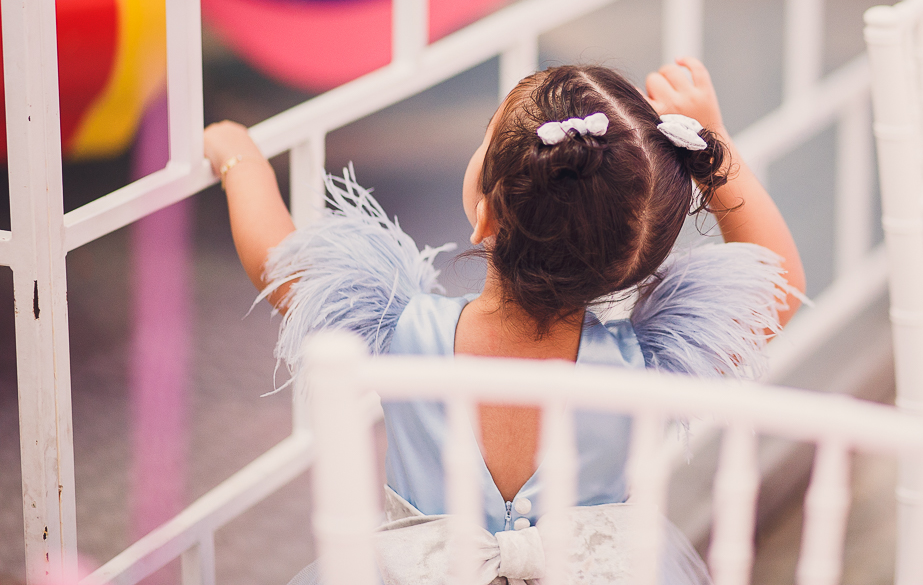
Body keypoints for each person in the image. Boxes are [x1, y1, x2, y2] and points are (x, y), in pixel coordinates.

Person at [204, 58, 806, 584]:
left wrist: (240, 160)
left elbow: (277, 261)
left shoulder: (397, 329)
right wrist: (715, 152)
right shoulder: (647, 368)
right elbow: (777, 287)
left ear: (486, 214)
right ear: (632, 257)